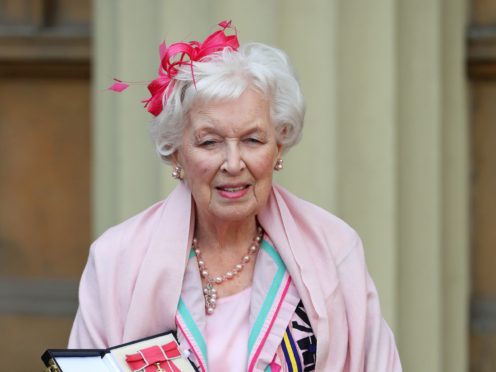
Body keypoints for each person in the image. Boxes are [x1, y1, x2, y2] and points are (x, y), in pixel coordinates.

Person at [69, 21, 402, 371]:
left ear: (279, 146)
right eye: (209, 142)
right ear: (175, 153)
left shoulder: (335, 249)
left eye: (252, 140)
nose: (232, 163)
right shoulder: (116, 260)